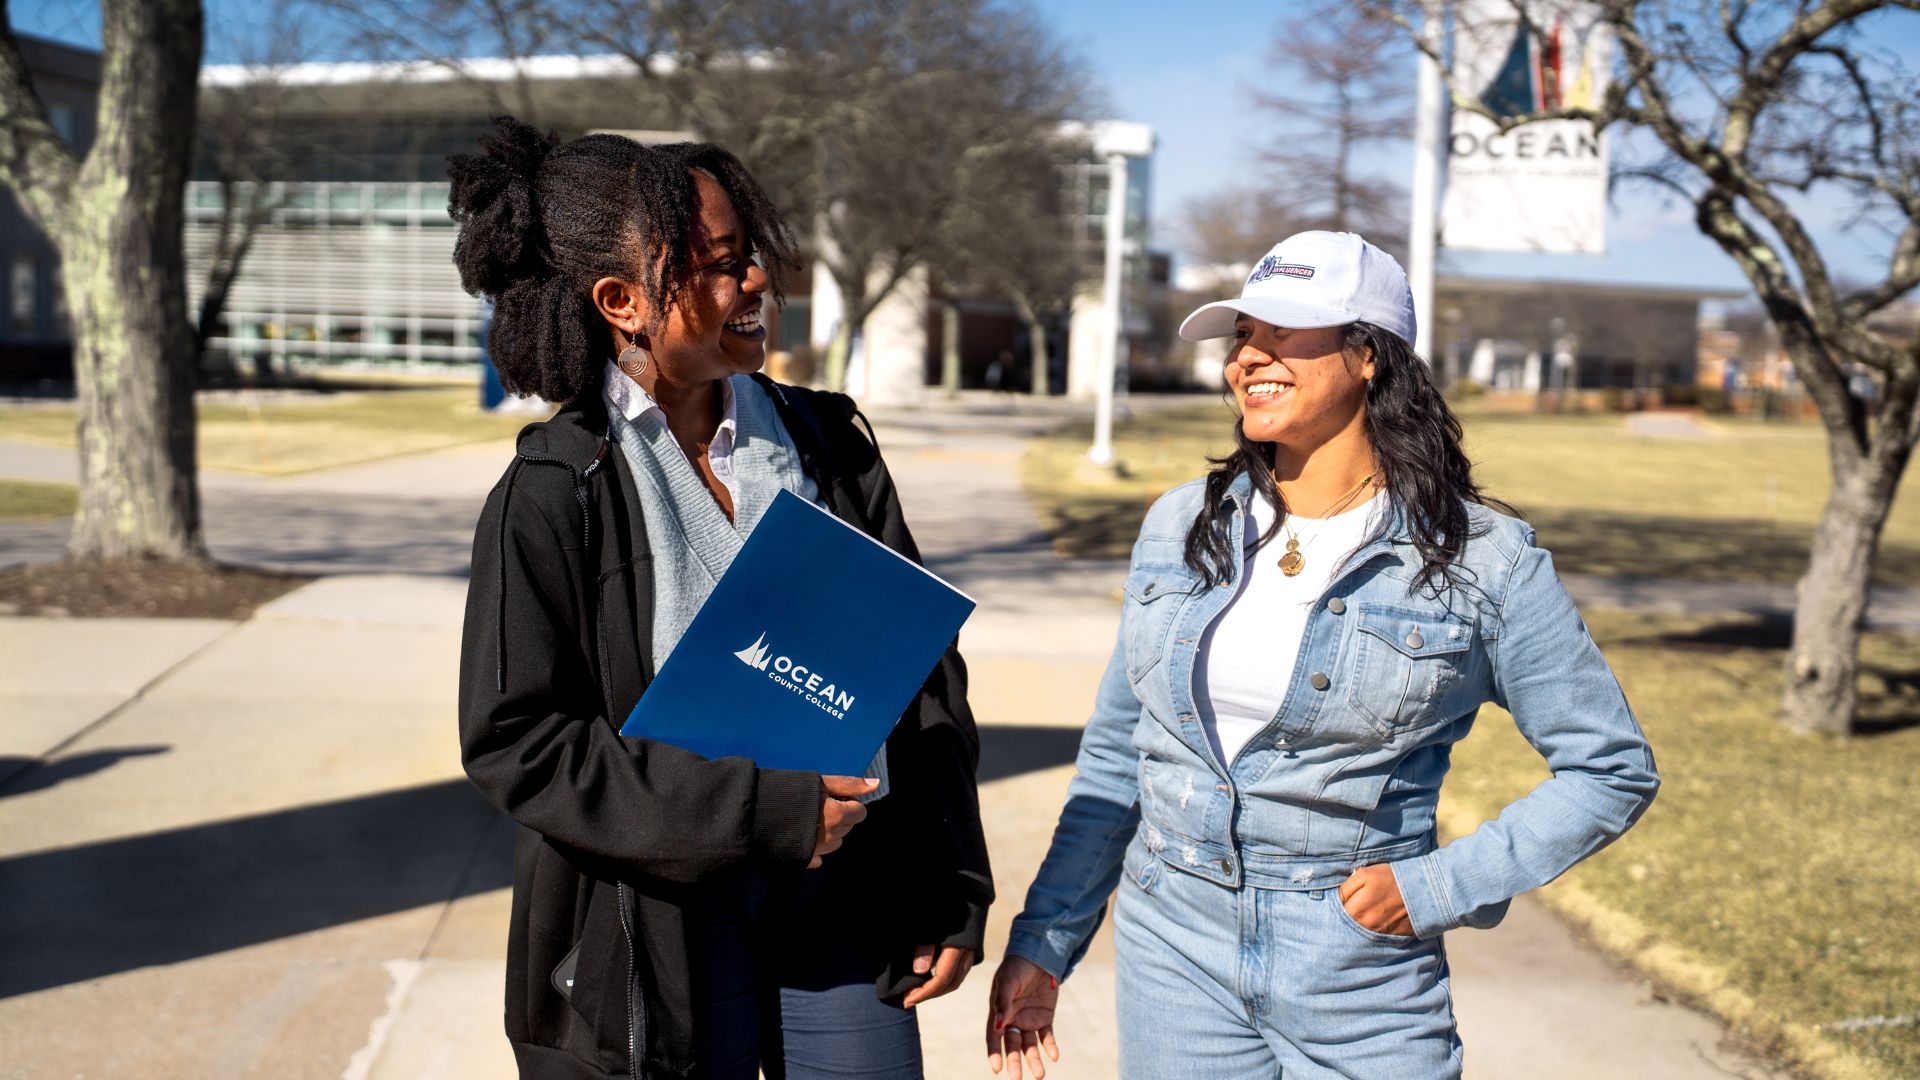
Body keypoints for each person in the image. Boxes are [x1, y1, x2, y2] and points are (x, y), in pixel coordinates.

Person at [984, 231, 1658, 1078]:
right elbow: (1121, 756)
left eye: (1285, 334)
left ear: (1369, 355)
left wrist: (1436, 889)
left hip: (1356, 972)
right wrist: (1047, 939)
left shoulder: (1484, 561)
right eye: (1242, 337)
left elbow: (1610, 768)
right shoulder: (1179, 525)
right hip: (1173, 945)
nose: (1250, 360)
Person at [451, 118, 991, 1080]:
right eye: (718, 265)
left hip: (842, 906)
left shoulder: (830, 447)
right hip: (656, 929)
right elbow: (519, 743)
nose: (755, 285)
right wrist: (766, 810)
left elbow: (920, 669)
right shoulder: (554, 491)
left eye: (751, 257)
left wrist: (949, 871)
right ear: (623, 301)